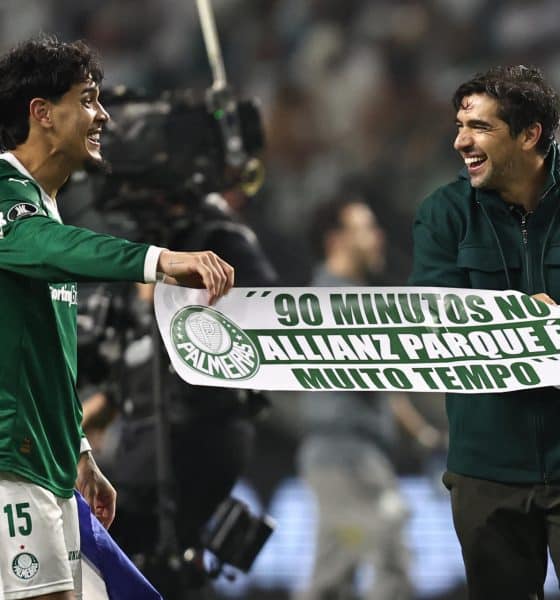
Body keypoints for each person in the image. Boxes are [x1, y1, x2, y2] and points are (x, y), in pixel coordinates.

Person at [0, 35, 234, 600]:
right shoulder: (6, 199)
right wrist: (159, 260)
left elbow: (44, 355)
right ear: (42, 114)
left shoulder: (41, 204)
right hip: (10, 469)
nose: (102, 114)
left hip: (48, 466)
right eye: (87, 99)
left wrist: (78, 450)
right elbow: (58, 247)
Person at [409, 65, 560, 599]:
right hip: (486, 467)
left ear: (529, 134)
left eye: (479, 127)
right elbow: (432, 321)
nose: (460, 141)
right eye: (458, 125)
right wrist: (521, 317)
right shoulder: (443, 213)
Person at [297, 194, 441, 600]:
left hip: (352, 458)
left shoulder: (357, 301)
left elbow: (380, 383)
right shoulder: (324, 303)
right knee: (391, 557)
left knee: (331, 579)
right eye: (366, 228)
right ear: (336, 241)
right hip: (345, 459)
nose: (378, 237)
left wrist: (424, 435)